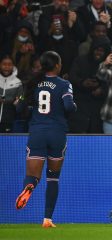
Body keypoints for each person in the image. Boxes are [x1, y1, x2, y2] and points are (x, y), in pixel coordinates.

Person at [15, 51, 77, 228]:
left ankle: (30, 187)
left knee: (32, 176)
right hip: (57, 133)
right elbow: (69, 107)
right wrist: (74, 104)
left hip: (37, 132)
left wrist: (22, 98)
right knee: (53, 178)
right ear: (57, 65)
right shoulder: (64, 84)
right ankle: (47, 219)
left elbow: (19, 108)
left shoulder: (33, 84)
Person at [0, 55, 23, 133]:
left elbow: (22, 97)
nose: (6, 67)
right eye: (4, 64)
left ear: (13, 66)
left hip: (8, 119)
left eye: (9, 64)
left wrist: (19, 100)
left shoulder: (17, 82)